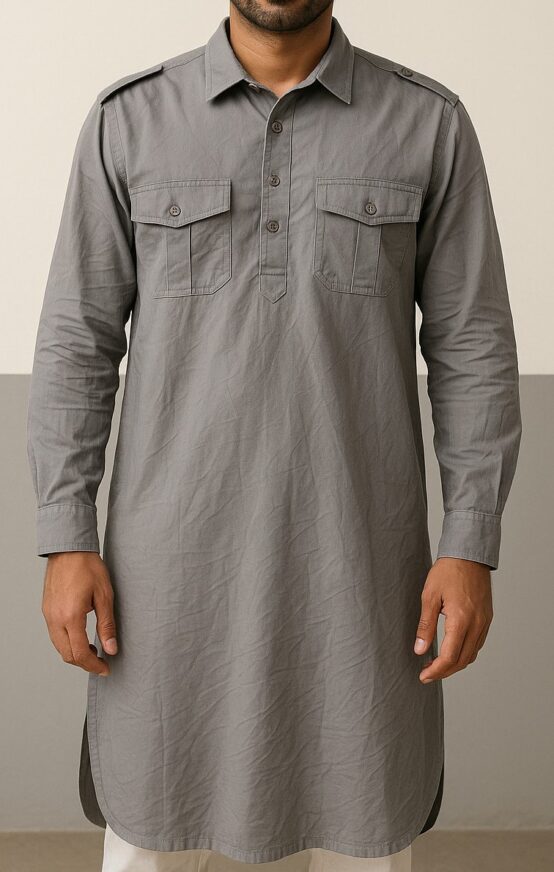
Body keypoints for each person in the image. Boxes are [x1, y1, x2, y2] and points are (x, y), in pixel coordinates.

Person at [27, 2, 522, 870]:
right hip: (166, 582)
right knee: (151, 829)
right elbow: (77, 342)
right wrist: (66, 537)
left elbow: (473, 348)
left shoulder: (427, 124)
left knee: (366, 824)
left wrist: (470, 543)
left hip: (361, 577)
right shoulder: (129, 121)